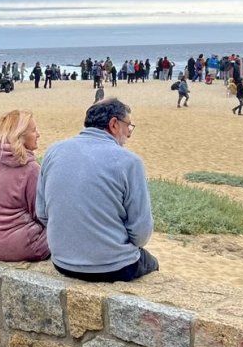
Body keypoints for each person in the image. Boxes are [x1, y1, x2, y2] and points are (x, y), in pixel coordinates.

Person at [36, 98, 158, 282]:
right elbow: (141, 233)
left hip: (62, 262)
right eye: (128, 126)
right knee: (152, 263)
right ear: (114, 124)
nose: (129, 134)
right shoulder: (130, 162)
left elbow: (42, 213)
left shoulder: (53, 151)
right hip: (114, 267)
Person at [0, 110, 49, 262]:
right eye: (34, 130)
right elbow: (40, 214)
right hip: (18, 247)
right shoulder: (31, 169)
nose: (38, 134)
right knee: (63, 229)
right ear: (21, 136)